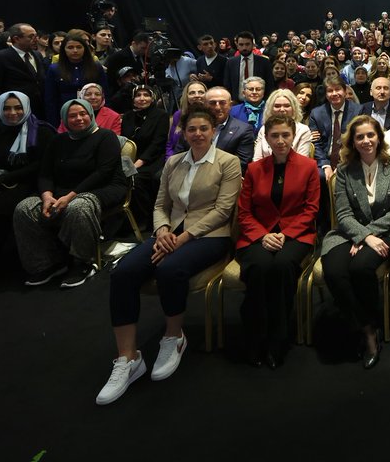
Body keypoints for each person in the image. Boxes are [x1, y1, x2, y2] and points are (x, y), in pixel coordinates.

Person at [97, 107, 240, 405]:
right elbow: (161, 204)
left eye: (204, 128)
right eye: (192, 129)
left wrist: (183, 237)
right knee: (123, 273)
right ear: (183, 133)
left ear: (213, 131)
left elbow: (223, 211)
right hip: (169, 233)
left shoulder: (228, 162)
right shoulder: (173, 162)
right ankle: (128, 358)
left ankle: (174, 337)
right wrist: (163, 231)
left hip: (209, 236)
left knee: (169, 270)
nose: (198, 134)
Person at [322, 114, 390, 369]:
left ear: (379, 137)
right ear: (352, 141)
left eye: (371, 135)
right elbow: (343, 214)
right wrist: (363, 236)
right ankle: (366, 325)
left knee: (360, 268)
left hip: (386, 233)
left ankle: (369, 334)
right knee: (335, 272)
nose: (366, 140)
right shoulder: (345, 171)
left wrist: (370, 234)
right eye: (360, 137)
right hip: (347, 234)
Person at [12, 98, 125, 288]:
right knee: (24, 209)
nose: (78, 118)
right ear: (64, 119)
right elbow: (45, 172)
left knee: (78, 207)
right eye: (72, 115)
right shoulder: (58, 140)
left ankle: (82, 262)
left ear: (90, 115)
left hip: (102, 188)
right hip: (61, 191)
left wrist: (70, 196)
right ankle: (47, 263)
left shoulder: (105, 136)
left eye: (83, 114)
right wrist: (47, 196)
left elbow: (103, 173)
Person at [236, 115, 320, 367]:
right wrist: (263, 235)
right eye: (275, 136)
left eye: (285, 135)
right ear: (267, 138)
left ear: (293, 135)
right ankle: (255, 335)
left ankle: (278, 338)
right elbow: (244, 211)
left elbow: (311, 209)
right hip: (258, 232)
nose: (281, 140)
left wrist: (286, 234)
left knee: (282, 267)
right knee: (259, 268)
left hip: (295, 233)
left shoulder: (308, 167)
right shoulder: (254, 169)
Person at [0, 92, 54, 280]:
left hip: (26, 182)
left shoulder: (41, 131)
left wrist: (1, 180)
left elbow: (40, 166)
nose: (12, 112)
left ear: (26, 107)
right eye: (6, 108)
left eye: (18, 107)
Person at [120, 85, 169, 228]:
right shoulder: (128, 116)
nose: (142, 98)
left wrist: (138, 163)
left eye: (146, 95)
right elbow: (125, 141)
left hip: (152, 158)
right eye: (138, 95)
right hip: (131, 158)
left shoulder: (161, 115)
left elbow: (157, 143)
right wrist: (128, 163)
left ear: (152, 98)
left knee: (137, 179)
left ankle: (145, 220)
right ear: (133, 99)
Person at [43, 31, 106, 127]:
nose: (75, 50)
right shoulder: (54, 69)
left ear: (85, 49)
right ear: (64, 50)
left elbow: (105, 93)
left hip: (92, 114)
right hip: (65, 114)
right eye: (70, 47)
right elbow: (50, 99)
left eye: (79, 47)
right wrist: (54, 124)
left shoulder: (95, 67)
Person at [0, 23, 47, 117]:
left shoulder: (37, 55)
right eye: (31, 37)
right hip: (15, 111)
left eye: (36, 36)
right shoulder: (0, 57)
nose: (36, 40)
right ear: (16, 39)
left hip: (40, 109)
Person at [310, 77, 361, 181]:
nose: (334, 93)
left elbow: (357, 142)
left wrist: (344, 164)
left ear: (345, 91)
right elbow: (316, 142)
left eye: (337, 89)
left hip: (349, 159)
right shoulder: (316, 113)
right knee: (319, 176)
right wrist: (325, 165)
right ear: (325, 94)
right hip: (325, 159)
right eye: (330, 91)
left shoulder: (358, 111)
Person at [250, 89, 313, 161]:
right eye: (277, 106)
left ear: (294, 108)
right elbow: (257, 160)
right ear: (271, 109)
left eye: (287, 106)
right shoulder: (263, 129)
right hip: (266, 170)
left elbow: (302, 161)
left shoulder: (303, 130)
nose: (282, 109)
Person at [203, 87, 254, 171]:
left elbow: (241, 163)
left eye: (222, 103)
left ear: (230, 105)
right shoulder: (193, 128)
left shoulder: (243, 130)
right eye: (212, 103)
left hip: (224, 178)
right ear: (205, 105)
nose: (217, 107)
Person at [224, 31, 273, 98]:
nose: (244, 48)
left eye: (247, 44)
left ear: (253, 45)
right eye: (241, 45)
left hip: (259, 103)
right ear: (237, 46)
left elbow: (269, 85)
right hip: (237, 102)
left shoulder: (264, 62)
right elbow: (227, 84)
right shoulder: (231, 62)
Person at [166, 79, 207, 157]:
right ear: (186, 96)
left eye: (201, 92)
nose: (197, 95)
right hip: (177, 159)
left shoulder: (212, 115)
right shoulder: (178, 115)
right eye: (192, 93)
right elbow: (170, 145)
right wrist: (169, 161)